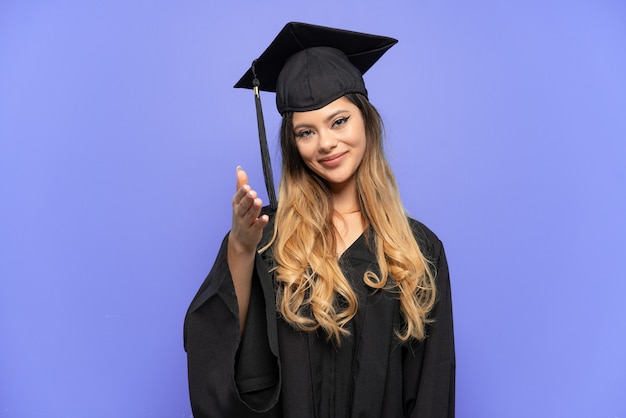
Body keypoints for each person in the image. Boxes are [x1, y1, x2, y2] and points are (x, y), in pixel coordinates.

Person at [184, 22, 455, 418]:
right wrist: (241, 248)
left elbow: (432, 386)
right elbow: (216, 353)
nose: (326, 143)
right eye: (306, 131)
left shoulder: (418, 249)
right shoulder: (268, 237)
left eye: (339, 121)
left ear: (367, 121)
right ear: (293, 144)